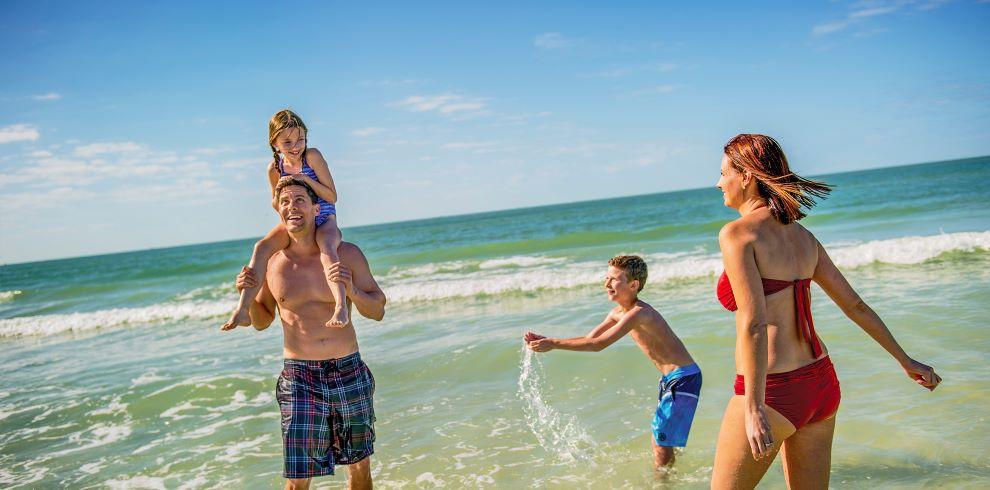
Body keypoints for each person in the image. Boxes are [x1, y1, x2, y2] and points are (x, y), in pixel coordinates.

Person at [710, 134, 941, 488]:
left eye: (723, 172)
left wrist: (754, 407)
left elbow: (754, 323)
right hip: (821, 385)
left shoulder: (737, 235)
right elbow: (855, 305)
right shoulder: (804, 237)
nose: (718, 182)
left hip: (771, 391)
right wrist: (906, 361)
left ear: (746, 176)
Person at [224, 177, 386, 490]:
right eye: (285, 201)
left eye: (299, 200)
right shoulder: (273, 264)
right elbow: (261, 320)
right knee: (298, 480)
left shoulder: (346, 254)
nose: (292, 207)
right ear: (278, 210)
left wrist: (351, 289)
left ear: (316, 208)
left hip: (347, 370)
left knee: (360, 470)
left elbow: (377, 310)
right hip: (300, 377)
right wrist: (243, 293)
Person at [524, 255, 701, 469]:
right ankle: (673, 476)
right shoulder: (617, 313)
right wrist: (548, 340)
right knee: (661, 439)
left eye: (614, 279)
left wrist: (553, 344)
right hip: (670, 379)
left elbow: (598, 345)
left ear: (634, 285)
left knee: (661, 442)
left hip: (683, 378)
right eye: (606, 278)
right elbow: (590, 338)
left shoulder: (640, 313)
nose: (607, 284)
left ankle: (663, 483)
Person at [223, 109, 349, 331]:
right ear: (275, 144)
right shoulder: (275, 168)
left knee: (327, 247)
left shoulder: (312, 157)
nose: (296, 146)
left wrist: (303, 180)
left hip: (324, 215)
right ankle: (242, 309)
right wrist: (286, 202)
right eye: (288, 141)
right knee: (261, 247)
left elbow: (332, 196)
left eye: (300, 139)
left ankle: (340, 306)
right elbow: (275, 202)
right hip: (296, 220)